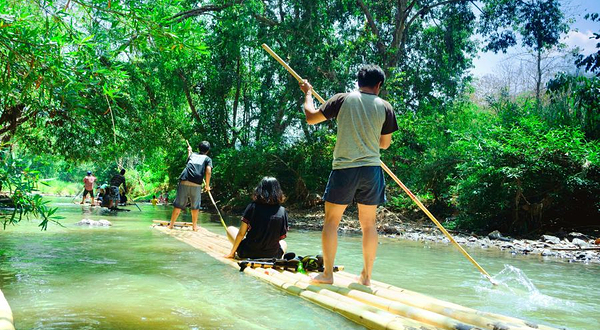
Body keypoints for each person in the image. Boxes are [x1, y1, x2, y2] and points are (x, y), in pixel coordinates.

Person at [299, 64, 398, 286]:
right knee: (369, 224)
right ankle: (366, 277)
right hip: (372, 170)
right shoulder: (386, 107)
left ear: (358, 82)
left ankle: (327, 275)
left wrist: (307, 93)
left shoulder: (342, 99)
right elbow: (384, 144)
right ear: (379, 85)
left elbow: (311, 117)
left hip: (344, 168)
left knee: (331, 222)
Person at [224, 177, 288, 259]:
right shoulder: (282, 211)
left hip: (248, 253)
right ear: (278, 192)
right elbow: (280, 237)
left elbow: (241, 234)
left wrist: (232, 253)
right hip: (272, 255)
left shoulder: (252, 207)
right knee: (284, 243)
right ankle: (279, 258)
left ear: (260, 190)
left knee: (230, 229)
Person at [167, 141, 212, 231]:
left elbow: (189, 163)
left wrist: (189, 152)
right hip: (196, 184)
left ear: (199, 149)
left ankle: (171, 225)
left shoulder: (193, 155)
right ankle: (194, 227)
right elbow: (208, 171)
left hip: (184, 180)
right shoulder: (208, 159)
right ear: (208, 151)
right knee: (195, 206)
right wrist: (207, 185)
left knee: (178, 205)